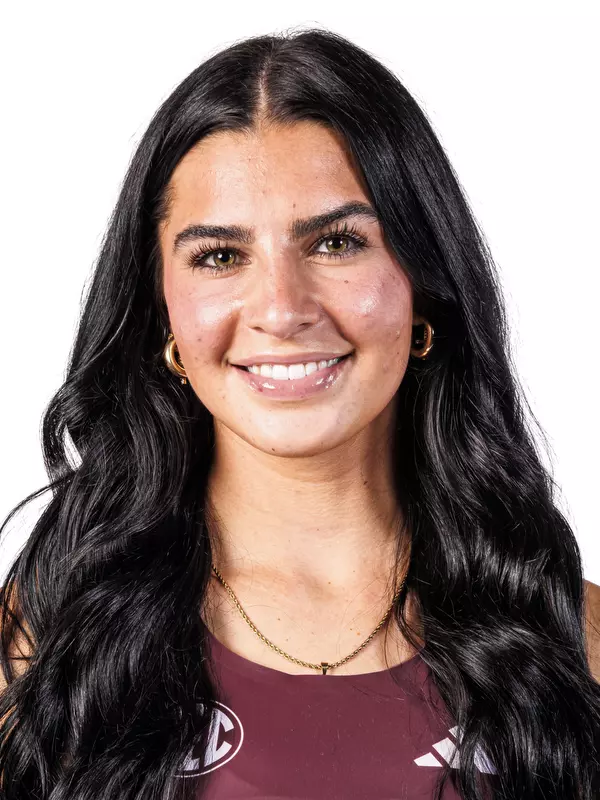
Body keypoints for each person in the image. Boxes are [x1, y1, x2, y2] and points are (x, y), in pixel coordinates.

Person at [1, 27, 599, 800]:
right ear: (163, 316)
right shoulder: (39, 649)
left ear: (423, 281)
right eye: (220, 256)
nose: (281, 310)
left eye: (338, 243)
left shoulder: (575, 643)